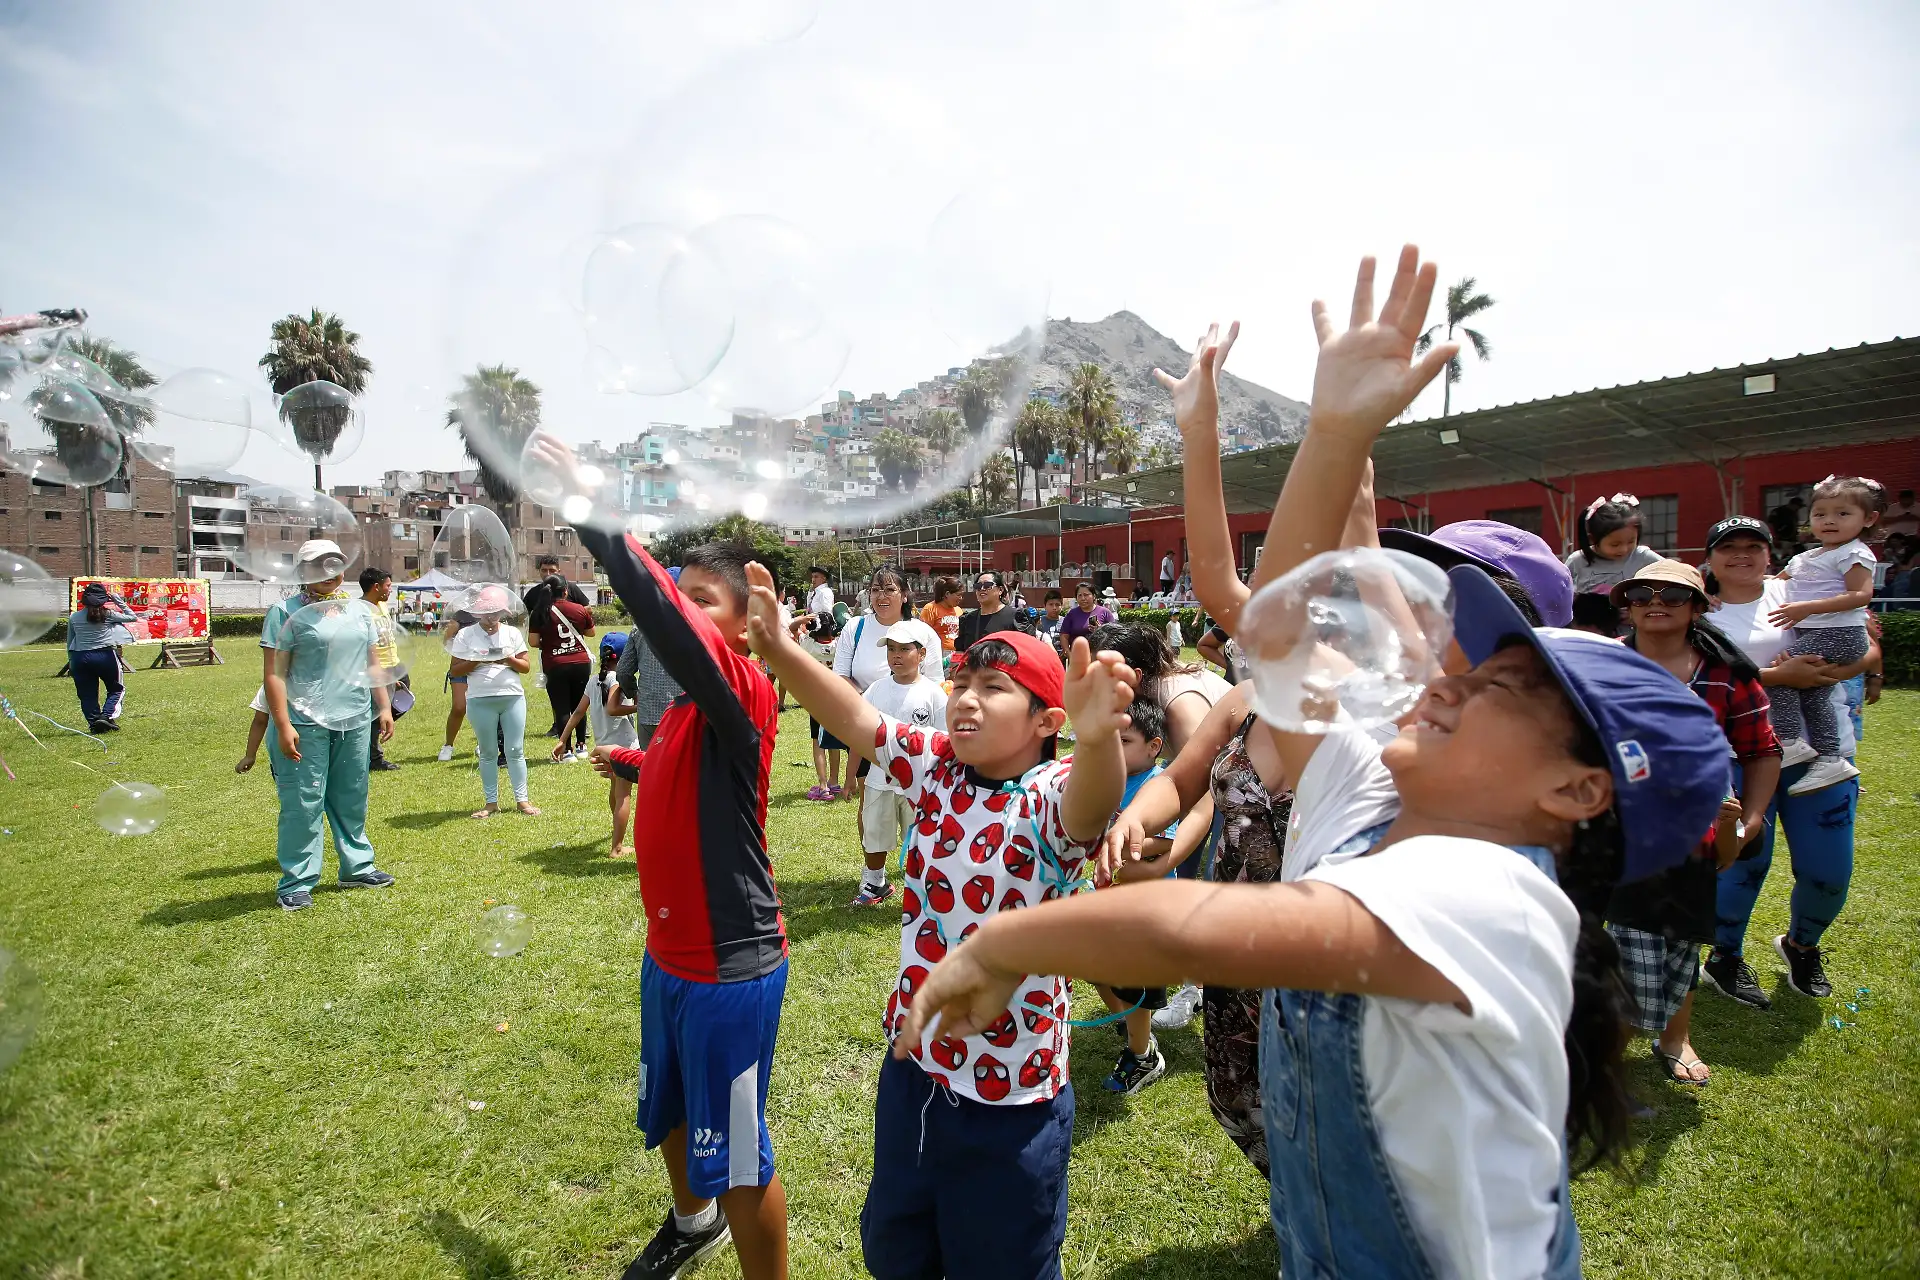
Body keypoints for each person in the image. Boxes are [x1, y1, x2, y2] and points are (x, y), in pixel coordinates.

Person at [905, 252, 1728, 1278]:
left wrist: (1008, 939)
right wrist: (1334, 432)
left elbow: (1196, 924)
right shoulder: (1366, 789)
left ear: (1573, 791)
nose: (1437, 684)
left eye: (1489, 692)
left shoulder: (1501, 900)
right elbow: (1273, 627)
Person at [750, 575, 1134, 1280]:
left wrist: (1101, 735)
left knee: (1003, 1262)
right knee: (899, 1248)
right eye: (962, 682)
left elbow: (1092, 802)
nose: (966, 698)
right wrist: (779, 648)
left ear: (1047, 722)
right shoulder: (938, 770)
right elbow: (856, 719)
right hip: (914, 1067)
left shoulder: (1049, 800)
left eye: (994, 688)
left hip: (1010, 1097)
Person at [526, 435, 792, 1280]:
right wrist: (631, 762)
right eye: (681, 595)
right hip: (669, 955)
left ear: (747, 623)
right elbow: (682, 776)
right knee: (669, 1106)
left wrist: (598, 514)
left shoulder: (742, 689)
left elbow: (667, 627)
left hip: (730, 966)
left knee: (743, 1156)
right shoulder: (680, 714)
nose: (681, 609)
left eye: (704, 600)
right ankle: (691, 1223)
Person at [1606, 558, 1781, 1086]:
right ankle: (1606, 1051)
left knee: (1684, 940)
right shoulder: (1601, 664)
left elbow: (1762, 751)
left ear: (1699, 608)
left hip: (1700, 833)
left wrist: (1749, 821)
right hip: (1618, 834)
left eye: (1672, 595)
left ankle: (1675, 1037)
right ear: (1628, 607)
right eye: (1641, 594)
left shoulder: (1728, 676)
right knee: (1626, 941)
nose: (1655, 601)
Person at [1696, 515, 1877, 1006]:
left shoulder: (1801, 593)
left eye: (1753, 546)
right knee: (1743, 866)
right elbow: (1687, 675)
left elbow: (1868, 645)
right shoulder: (1697, 612)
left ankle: (1801, 946)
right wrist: (1779, 677)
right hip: (1739, 755)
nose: (1741, 555)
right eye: (1727, 547)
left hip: (1820, 754)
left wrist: (1834, 671)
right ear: (1709, 558)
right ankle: (1725, 957)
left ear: (1769, 554)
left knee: (1829, 873)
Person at [260, 539, 396, 912]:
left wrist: (383, 706)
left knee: (352, 795)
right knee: (303, 802)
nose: (328, 574)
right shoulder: (283, 612)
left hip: (352, 718)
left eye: (334, 565)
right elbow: (275, 675)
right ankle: (297, 881)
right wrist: (283, 723)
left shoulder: (358, 612)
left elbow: (372, 662)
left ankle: (357, 867)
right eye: (317, 566)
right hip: (304, 722)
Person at [1765, 474, 1881, 795]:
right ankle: (1830, 756)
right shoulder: (1805, 557)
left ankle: (1789, 739)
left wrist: (1807, 609)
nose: (1829, 521)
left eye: (1842, 514)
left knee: (1782, 673)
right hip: (1824, 632)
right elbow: (1772, 583)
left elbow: (1861, 595)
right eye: (1820, 514)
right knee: (1815, 694)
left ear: (1869, 519)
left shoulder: (1854, 553)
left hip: (1839, 633)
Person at [848, 621, 948, 908]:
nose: (897, 655)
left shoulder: (933, 694)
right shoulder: (876, 690)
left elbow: (942, 743)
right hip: (880, 779)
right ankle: (875, 881)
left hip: (919, 785)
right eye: (892, 649)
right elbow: (859, 731)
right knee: (874, 833)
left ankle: (927, 886)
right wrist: (851, 776)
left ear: (922, 653)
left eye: (905, 649)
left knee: (920, 837)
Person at [832, 567, 942, 806]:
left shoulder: (925, 633)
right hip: (867, 729)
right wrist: (871, 707)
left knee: (916, 808)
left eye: (890, 589)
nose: (882, 596)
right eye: (875, 590)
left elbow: (936, 683)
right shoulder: (856, 627)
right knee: (870, 804)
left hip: (914, 734)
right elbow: (840, 675)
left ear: (904, 595)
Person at [447, 585, 540, 820]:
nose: (491, 618)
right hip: (480, 698)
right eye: (487, 613)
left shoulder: (512, 634)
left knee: (515, 750)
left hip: (511, 697)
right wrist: (478, 659)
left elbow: (526, 667)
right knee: (488, 751)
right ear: (477, 613)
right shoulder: (466, 635)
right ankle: (491, 803)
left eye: (496, 613)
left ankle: (522, 800)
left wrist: (507, 658)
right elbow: (455, 669)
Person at [557, 632, 637, 856]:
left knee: (616, 791)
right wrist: (639, 707)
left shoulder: (594, 680)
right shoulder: (618, 679)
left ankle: (616, 834)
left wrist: (562, 740)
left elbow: (578, 712)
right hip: (623, 745)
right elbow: (613, 709)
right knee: (623, 795)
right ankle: (617, 847)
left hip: (604, 744)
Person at [530, 573, 597, 760]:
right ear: (566, 591)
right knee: (579, 705)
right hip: (581, 662)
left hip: (555, 664)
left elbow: (533, 641)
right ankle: (582, 745)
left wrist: (551, 643)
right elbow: (591, 633)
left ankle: (567, 751)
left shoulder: (539, 612)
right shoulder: (579, 609)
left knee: (561, 708)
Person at [66, 582, 136, 733]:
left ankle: (94, 723)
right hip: (105, 656)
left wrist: (71, 660)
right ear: (104, 599)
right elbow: (132, 617)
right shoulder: (108, 614)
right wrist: (117, 600)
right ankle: (106, 716)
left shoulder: (74, 617)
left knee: (86, 693)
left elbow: (70, 641)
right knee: (116, 688)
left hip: (80, 657)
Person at [1564, 493, 1666, 596]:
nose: (1624, 549)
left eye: (1631, 541)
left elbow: (1675, 571)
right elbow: (1559, 586)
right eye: (1615, 544)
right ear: (1593, 539)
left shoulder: (1642, 556)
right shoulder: (1577, 560)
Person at [360, 568, 408, 772]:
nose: (390, 589)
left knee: (402, 702)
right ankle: (373, 757)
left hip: (394, 664)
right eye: (388, 585)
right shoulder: (360, 610)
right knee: (376, 712)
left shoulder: (382, 605)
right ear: (376, 586)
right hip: (379, 669)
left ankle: (371, 740)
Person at [612, 622, 684, 753]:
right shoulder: (691, 624)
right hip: (684, 713)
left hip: (649, 711)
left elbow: (623, 671)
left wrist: (634, 693)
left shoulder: (639, 627)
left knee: (649, 767)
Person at [954, 570, 1025, 650]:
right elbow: (960, 652)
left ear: (1000, 590)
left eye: (987, 585)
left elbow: (1025, 650)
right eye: (978, 586)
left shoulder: (1016, 617)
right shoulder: (968, 620)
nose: (982, 588)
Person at [1057, 583, 1114, 651]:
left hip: (1099, 655)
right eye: (1079, 595)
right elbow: (1064, 636)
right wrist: (1069, 654)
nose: (1083, 598)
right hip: (1077, 655)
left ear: (1094, 596)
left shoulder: (1105, 612)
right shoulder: (1072, 614)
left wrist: (1100, 631)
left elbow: (1114, 635)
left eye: (1086, 595)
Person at [918, 576, 963, 657]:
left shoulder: (959, 610)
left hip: (957, 653)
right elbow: (923, 635)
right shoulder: (930, 609)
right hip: (937, 653)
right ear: (947, 594)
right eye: (958, 595)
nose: (961, 598)